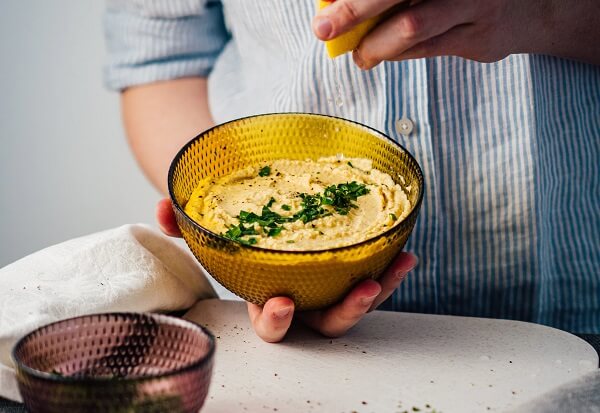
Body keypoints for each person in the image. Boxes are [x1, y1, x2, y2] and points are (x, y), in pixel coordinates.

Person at [104, 0, 600, 342]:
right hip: (283, 334)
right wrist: (251, 257)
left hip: (575, 306)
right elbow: (162, 60)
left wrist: (546, 13)